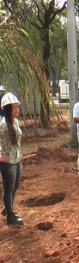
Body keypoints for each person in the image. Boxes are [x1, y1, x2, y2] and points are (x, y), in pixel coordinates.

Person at [0, 93, 24, 225]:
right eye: (13, 107)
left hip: (16, 160)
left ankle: (7, 208)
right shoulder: (3, 125)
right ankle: (10, 216)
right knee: (8, 188)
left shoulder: (16, 122)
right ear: (7, 109)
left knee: (15, 186)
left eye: (17, 107)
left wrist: (19, 153)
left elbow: (17, 141)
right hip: (7, 162)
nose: (16, 110)